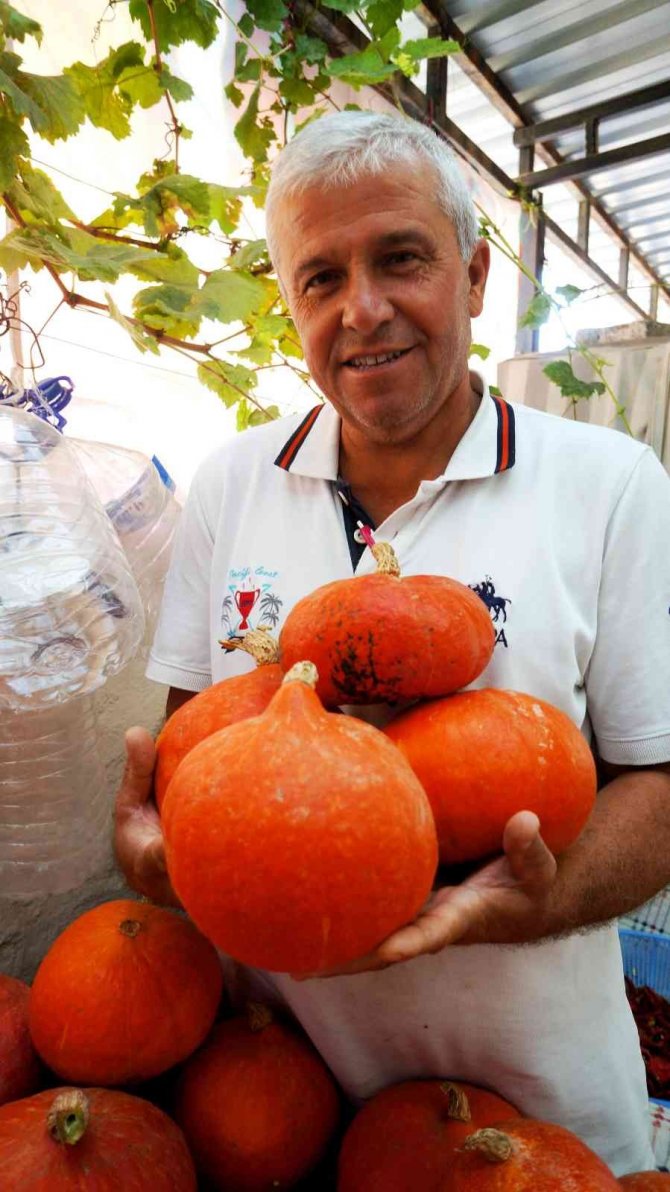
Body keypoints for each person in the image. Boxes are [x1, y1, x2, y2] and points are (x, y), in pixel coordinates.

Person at [115, 110, 670, 1175]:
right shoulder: (231, 484)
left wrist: (529, 902)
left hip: (534, 1110)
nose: (361, 310)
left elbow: (660, 778)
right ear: (291, 306)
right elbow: (197, 752)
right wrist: (159, 851)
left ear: (474, 275)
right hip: (284, 1098)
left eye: (400, 259)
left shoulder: (609, 488)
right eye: (321, 278)